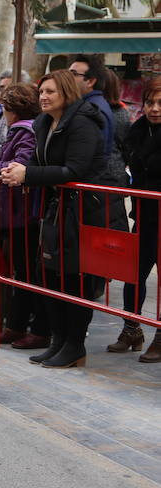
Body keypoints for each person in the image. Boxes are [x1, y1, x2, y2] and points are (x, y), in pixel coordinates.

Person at [0, 70, 125, 368]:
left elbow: (75, 170)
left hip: (86, 212)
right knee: (52, 278)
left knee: (75, 282)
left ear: (66, 93)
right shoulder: (44, 122)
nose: (43, 96)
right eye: (42, 91)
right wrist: (18, 168)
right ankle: (57, 340)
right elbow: (41, 161)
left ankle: (74, 345)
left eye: (50, 92)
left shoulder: (82, 122)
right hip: (58, 210)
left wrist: (28, 174)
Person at [0, 82, 49, 349]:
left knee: (26, 271)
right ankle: (15, 324)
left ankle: (25, 326)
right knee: (20, 271)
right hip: (15, 211)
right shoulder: (24, 129)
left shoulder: (27, 131)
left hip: (23, 212)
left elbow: (20, 164)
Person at [110, 76, 161, 363]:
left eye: (160, 103)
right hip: (144, 213)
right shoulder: (138, 131)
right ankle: (131, 328)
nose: (154, 109)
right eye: (150, 103)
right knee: (134, 275)